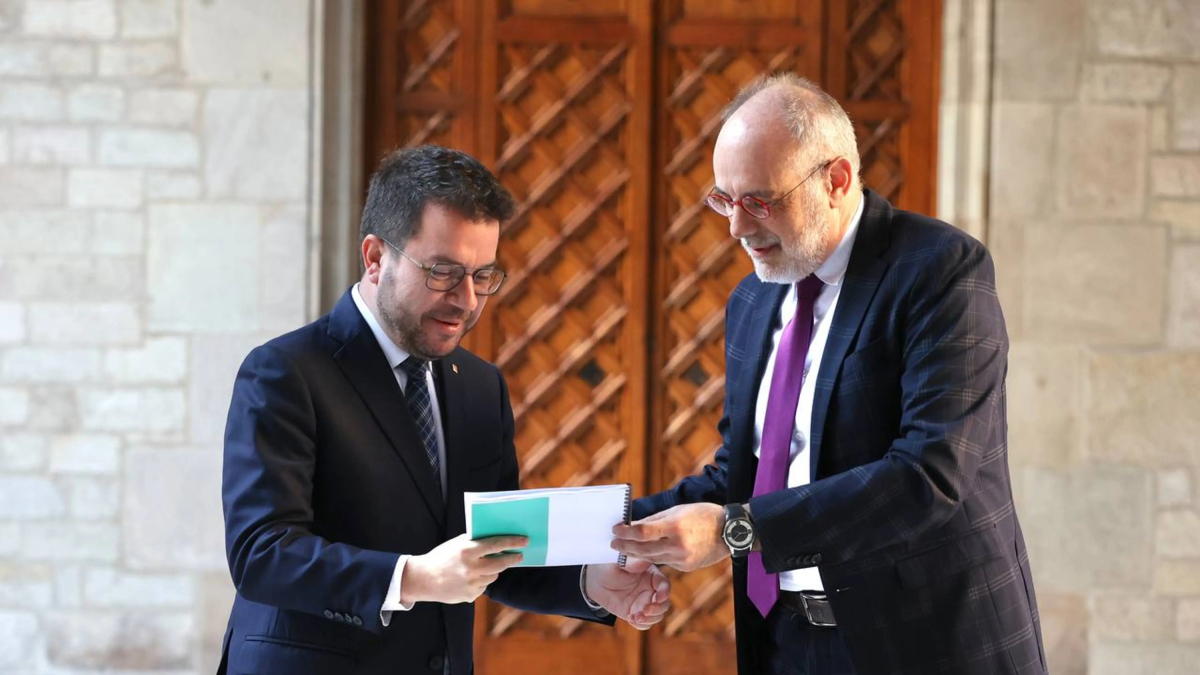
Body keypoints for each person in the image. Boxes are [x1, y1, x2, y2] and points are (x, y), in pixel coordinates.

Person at [611, 73, 1045, 675]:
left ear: (836, 180)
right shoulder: (751, 299)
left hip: (927, 643)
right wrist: (609, 528)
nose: (736, 227)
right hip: (787, 643)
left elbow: (930, 475)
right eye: (723, 200)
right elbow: (745, 472)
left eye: (759, 200)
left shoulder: (940, 270)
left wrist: (736, 531)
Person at [218, 145, 670, 675]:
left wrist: (591, 584)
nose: (467, 300)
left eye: (483, 276)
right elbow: (262, 554)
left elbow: (491, 550)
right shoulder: (284, 371)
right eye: (443, 272)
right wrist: (416, 577)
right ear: (375, 258)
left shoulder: (481, 386)